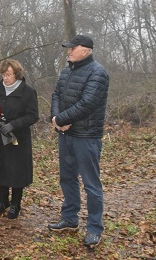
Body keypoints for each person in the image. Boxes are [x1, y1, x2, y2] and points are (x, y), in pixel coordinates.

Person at [48, 35, 109, 249]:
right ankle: (70, 219)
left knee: (91, 184)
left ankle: (94, 228)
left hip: (87, 137)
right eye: (68, 48)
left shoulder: (98, 73)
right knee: (67, 178)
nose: (69, 51)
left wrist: (62, 119)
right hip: (66, 135)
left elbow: (87, 103)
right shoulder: (67, 71)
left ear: (86, 49)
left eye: (73, 48)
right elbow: (56, 95)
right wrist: (56, 119)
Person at [0, 59, 39, 219]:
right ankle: (2, 201)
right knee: (1, 169)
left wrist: (14, 125)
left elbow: (33, 116)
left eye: (8, 75)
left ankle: (15, 204)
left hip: (17, 138)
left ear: (17, 74)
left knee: (16, 171)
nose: (5, 78)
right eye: (3, 75)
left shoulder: (27, 91)